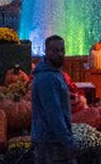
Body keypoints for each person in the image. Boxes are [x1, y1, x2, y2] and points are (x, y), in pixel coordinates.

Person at [31, 35, 74, 164]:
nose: (60, 54)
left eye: (62, 50)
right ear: (46, 51)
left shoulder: (54, 74)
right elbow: (53, 113)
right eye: (55, 50)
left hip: (52, 140)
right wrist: (68, 141)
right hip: (50, 143)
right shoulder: (47, 78)